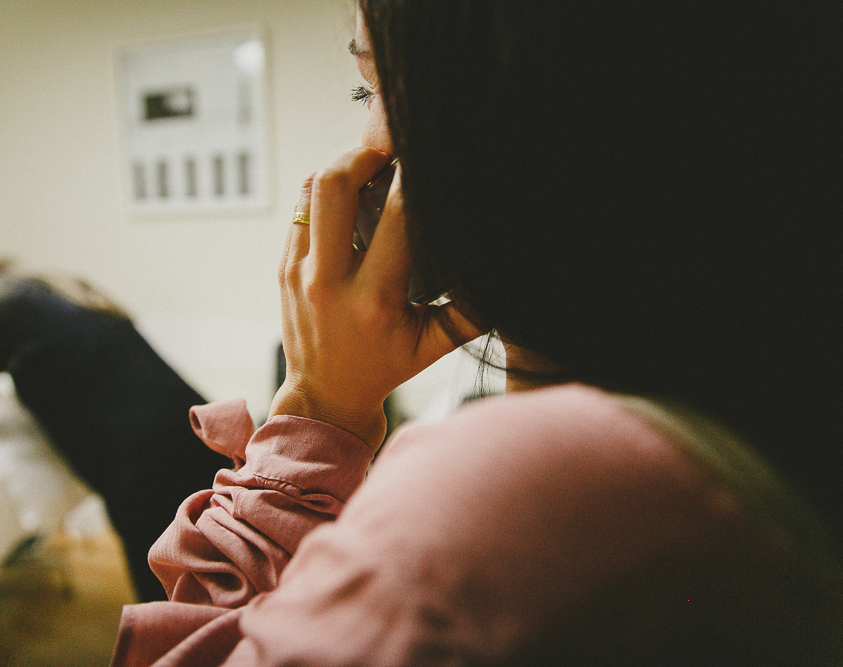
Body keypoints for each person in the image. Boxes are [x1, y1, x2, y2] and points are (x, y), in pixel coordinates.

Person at [110, 0, 842, 664]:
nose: (357, 155)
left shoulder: (498, 503)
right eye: (362, 93)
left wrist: (315, 411)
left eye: (380, 90)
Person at [0, 256, 230, 602]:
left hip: (139, 451)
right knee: (223, 551)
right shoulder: (45, 286)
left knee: (165, 574)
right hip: (192, 420)